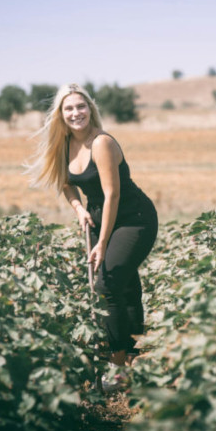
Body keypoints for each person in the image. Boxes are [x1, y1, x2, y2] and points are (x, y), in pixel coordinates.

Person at [27, 83, 158, 381]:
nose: (76, 113)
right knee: (121, 282)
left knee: (107, 284)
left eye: (81, 106)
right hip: (102, 218)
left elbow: (112, 195)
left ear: (91, 109)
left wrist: (100, 243)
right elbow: (65, 182)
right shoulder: (63, 143)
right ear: (60, 114)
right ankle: (137, 347)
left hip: (135, 218)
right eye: (69, 108)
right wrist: (78, 209)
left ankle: (117, 364)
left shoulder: (101, 143)